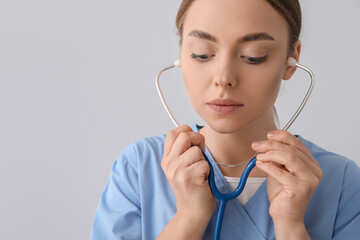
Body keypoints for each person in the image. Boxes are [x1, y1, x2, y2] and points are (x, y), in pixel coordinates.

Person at [90, 0, 360, 239]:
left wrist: (291, 227)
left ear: (291, 61)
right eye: (202, 54)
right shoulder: (138, 169)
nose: (224, 77)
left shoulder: (342, 182)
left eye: (254, 56)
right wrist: (188, 218)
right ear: (182, 54)